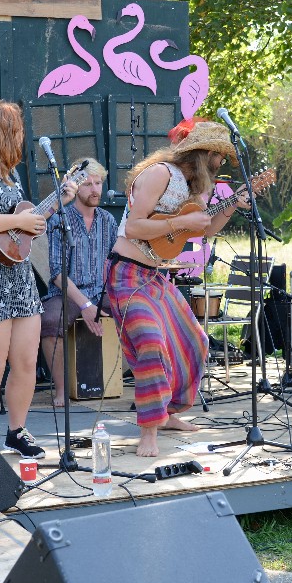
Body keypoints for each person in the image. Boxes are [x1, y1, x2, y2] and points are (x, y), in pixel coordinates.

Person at [105, 118, 246, 457]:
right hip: (127, 275)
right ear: (205, 152)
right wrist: (182, 221)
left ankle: (168, 413)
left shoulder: (196, 187)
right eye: (219, 156)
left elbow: (205, 229)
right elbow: (135, 227)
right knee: (151, 344)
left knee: (194, 341)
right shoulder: (159, 175)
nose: (221, 163)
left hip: (155, 277)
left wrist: (232, 206)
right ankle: (148, 431)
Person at [0, 100, 76, 458]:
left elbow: (22, 228)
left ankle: (17, 432)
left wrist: (56, 203)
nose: (22, 137)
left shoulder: (10, 174)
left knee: (24, 361)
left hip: (17, 276)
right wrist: (18, 222)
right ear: (3, 132)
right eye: (17, 130)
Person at [40, 158, 118, 407]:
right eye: (87, 184)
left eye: (98, 183)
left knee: (138, 310)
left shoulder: (108, 220)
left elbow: (116, 262)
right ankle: (62, 390)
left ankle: (142, 384)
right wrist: (85, 306)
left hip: (102, 289)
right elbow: (56, 272)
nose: (95, 189)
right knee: (50, 321)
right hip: (67, 292)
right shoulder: (59, 220)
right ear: (75, 188)